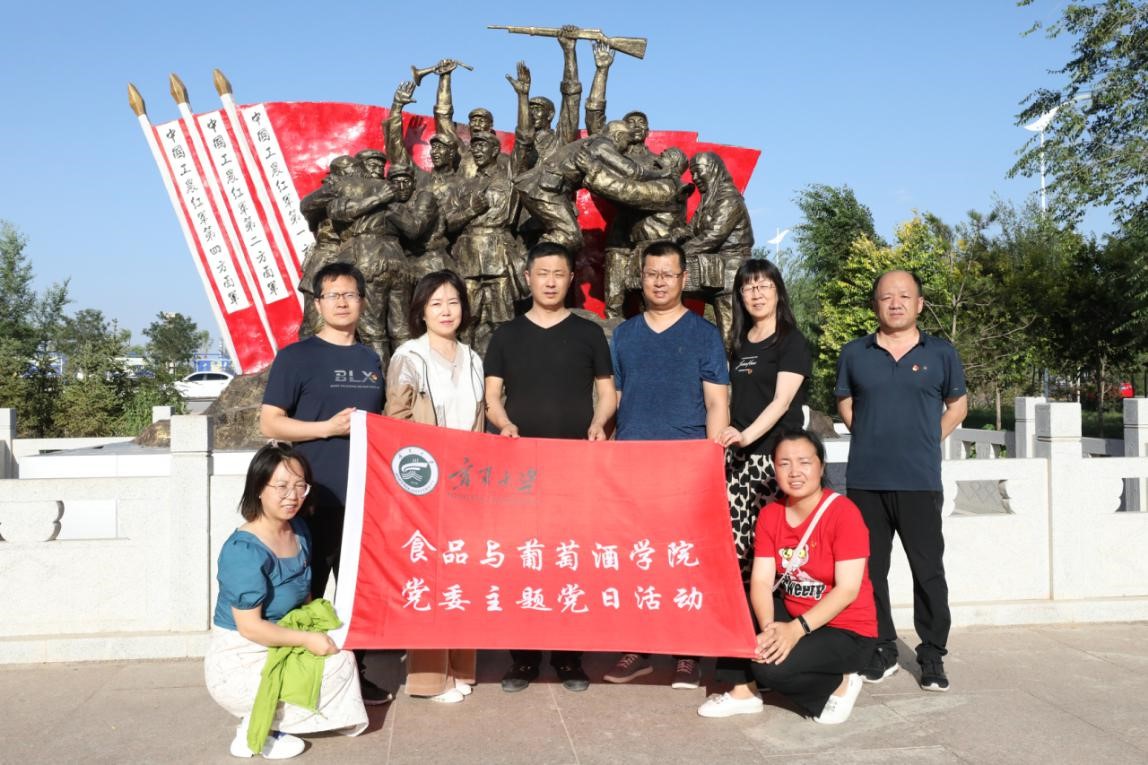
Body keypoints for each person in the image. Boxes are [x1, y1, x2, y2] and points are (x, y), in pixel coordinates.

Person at [484, 241, 616, 693]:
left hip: (574, 467)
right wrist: (504, 424)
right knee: (524, 561)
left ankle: (568, 657)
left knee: (568, 560)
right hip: (520, 468)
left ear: (570, 279)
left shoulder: (589, 333)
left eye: (559, 273)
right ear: (528, 278)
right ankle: (522, 658)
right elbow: (492, 396)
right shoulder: (506, 335)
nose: (551, 281)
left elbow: (607, 393)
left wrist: (599, 423)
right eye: (543, 273)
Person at [260, 261, 392, 706]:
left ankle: (355, 673)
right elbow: (269, 422)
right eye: (333, 295)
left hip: (365, 497)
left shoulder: (371, 359)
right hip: (312, 497)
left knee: (359, 591)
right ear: (317, 304)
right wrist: (326, 429)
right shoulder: (296, 357)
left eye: (350, 294)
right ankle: (304, 676)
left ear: (362, 302)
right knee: (308, 589)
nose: (342, 302)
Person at [604, 239, 729, 689]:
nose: (659, 282)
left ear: (683, 279)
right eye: (651, 273)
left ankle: (686, 653)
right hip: (634, 464)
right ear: (641, 278)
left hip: (686, 465)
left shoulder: (704, 334)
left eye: (668, 274)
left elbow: (717, 402)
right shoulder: (624, 335)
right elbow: (616, 398)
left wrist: (712, 457)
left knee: (683, 560)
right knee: (638, 559)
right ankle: (637, 646)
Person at [835, 269, 968, 692]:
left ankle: (932, 653)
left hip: (919, 480)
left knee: (927, 570)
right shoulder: (855, 352)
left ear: (919, 304)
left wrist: (927, 439)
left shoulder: (941, 353)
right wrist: (870, 435)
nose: (895, 303)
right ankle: (882, 647)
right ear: (875, 304)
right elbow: (845, 402)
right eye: (886, 296)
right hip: (866, 480)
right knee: (871, 569)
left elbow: (958, 405)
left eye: (904, 296)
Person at [698, 430, 877, 723]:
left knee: (771, 667)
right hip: (794, 614)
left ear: (821, 466)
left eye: (804, 462)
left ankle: (840, 684)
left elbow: (847, 590)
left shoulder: (844, 513)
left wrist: (795, 630)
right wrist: (770, 628)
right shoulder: (771, 515)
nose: (794, 472)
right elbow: (761, 581)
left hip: (846, 630)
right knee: (735, 602)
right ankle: (744, 692)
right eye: (784, 463)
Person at [204, 442, 368, 759]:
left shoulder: (299, 530)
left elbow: (304, 597)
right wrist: (307, 640)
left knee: (343, 655)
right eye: (281, 486)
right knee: (331, 665)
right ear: (258, 488)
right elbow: (250, 628)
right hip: (242, 654)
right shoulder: (243, 551)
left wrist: (318, 629)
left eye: (300, 486)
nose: (292, 496)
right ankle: (259, 724)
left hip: (283, 635)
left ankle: (279, 716)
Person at [707, 258, 813, 704]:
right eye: (748, 287)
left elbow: (782, 401)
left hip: (775, 466)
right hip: (738, 467)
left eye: (764, 285)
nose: (756, 293)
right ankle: (747, 655)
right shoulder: (737, 343)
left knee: (779, 561)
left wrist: (746, 436)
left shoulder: (791, 342)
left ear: (778, 291)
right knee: (743, 562)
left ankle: (783, 654)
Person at [385, 270, 484, 703]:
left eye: (453, 302)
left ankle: (460, 668)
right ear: (421, 312)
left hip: (467, 487)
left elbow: (479, 423)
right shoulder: (409, 356)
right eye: (436, 303)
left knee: (462, 576)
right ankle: (428, 678)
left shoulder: (473, 358)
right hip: (425, 486)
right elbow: (396, 423)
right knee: (428, 578)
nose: (446, 311)